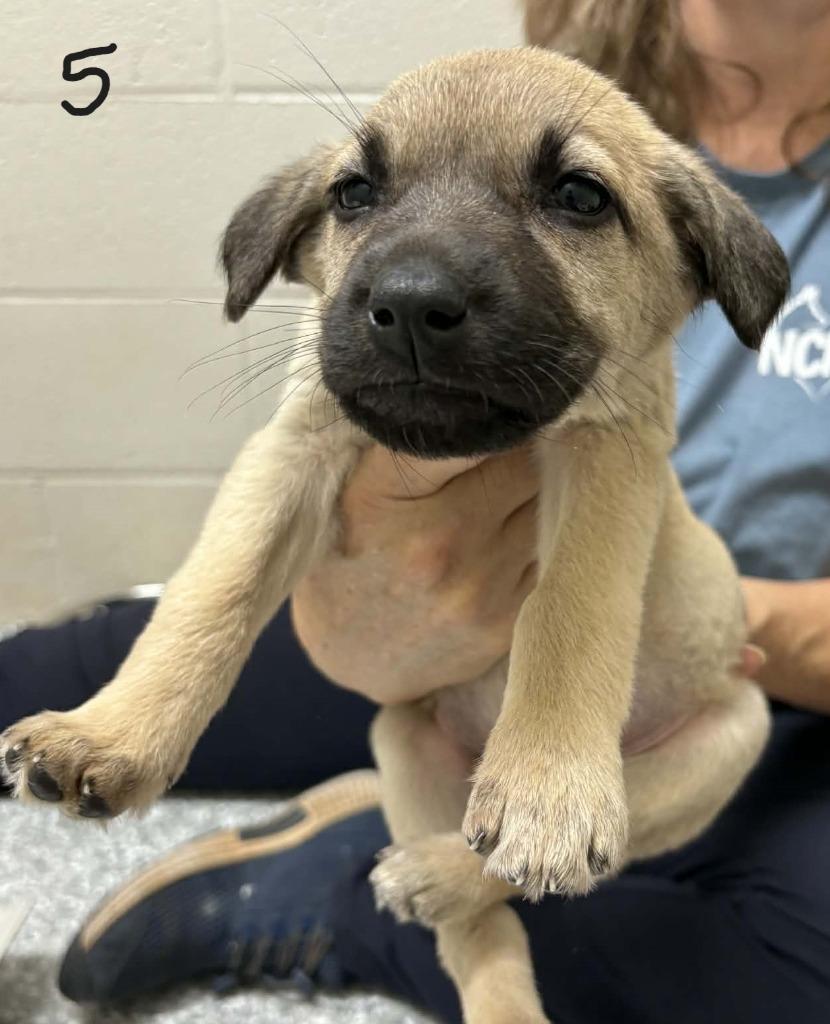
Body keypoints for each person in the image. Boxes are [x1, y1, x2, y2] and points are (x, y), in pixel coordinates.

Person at [3, 1, 830, 1020]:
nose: (416, 280)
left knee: (786, 974)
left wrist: (720, 637)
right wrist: (353, 616)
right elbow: (289, 473)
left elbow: (608, 493)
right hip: (402, 629)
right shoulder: (558, 81)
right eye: (359, 195)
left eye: (572, 198)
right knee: (41, 681)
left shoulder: (660, 186)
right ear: (303, 244)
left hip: (741, 669)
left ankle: (349, 887)